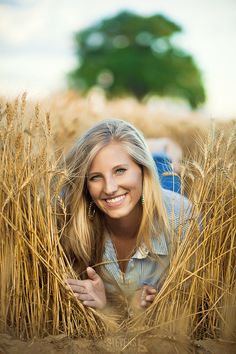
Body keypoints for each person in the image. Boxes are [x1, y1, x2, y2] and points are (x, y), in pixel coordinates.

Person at [60, 119, 192, 311]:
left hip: (155, 192)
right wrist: (103, 308)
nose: (110, 188)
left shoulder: (181, 215)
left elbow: (190, 299)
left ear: (142, 169)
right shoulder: (69, 217)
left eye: (120, 170)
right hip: (132, 192)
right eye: (95, 177)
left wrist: (158, 301)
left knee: (167, 166)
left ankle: (159, 150)